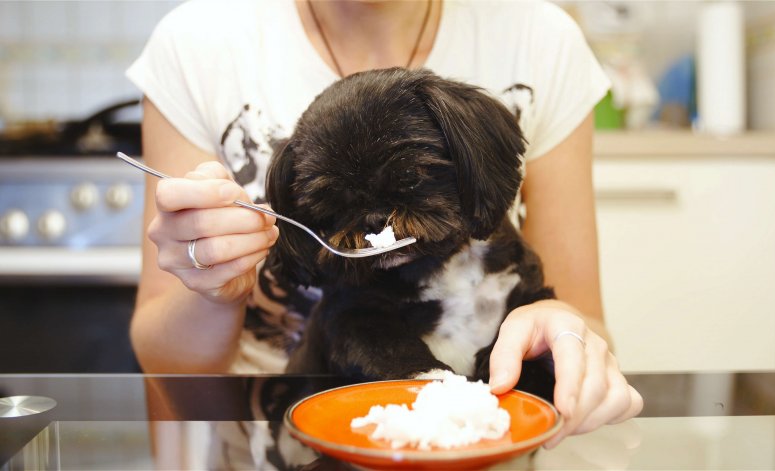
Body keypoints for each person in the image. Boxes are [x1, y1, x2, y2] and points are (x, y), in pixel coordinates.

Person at [126, 0, 643, 447]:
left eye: (411, 182)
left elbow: (586, 323)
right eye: (336, 212)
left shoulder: (540, 37)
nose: (378, 225)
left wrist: (564, 336)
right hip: (279, 440)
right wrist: (212, 284)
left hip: (496, 444)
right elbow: (165, 365)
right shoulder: (198, 43)